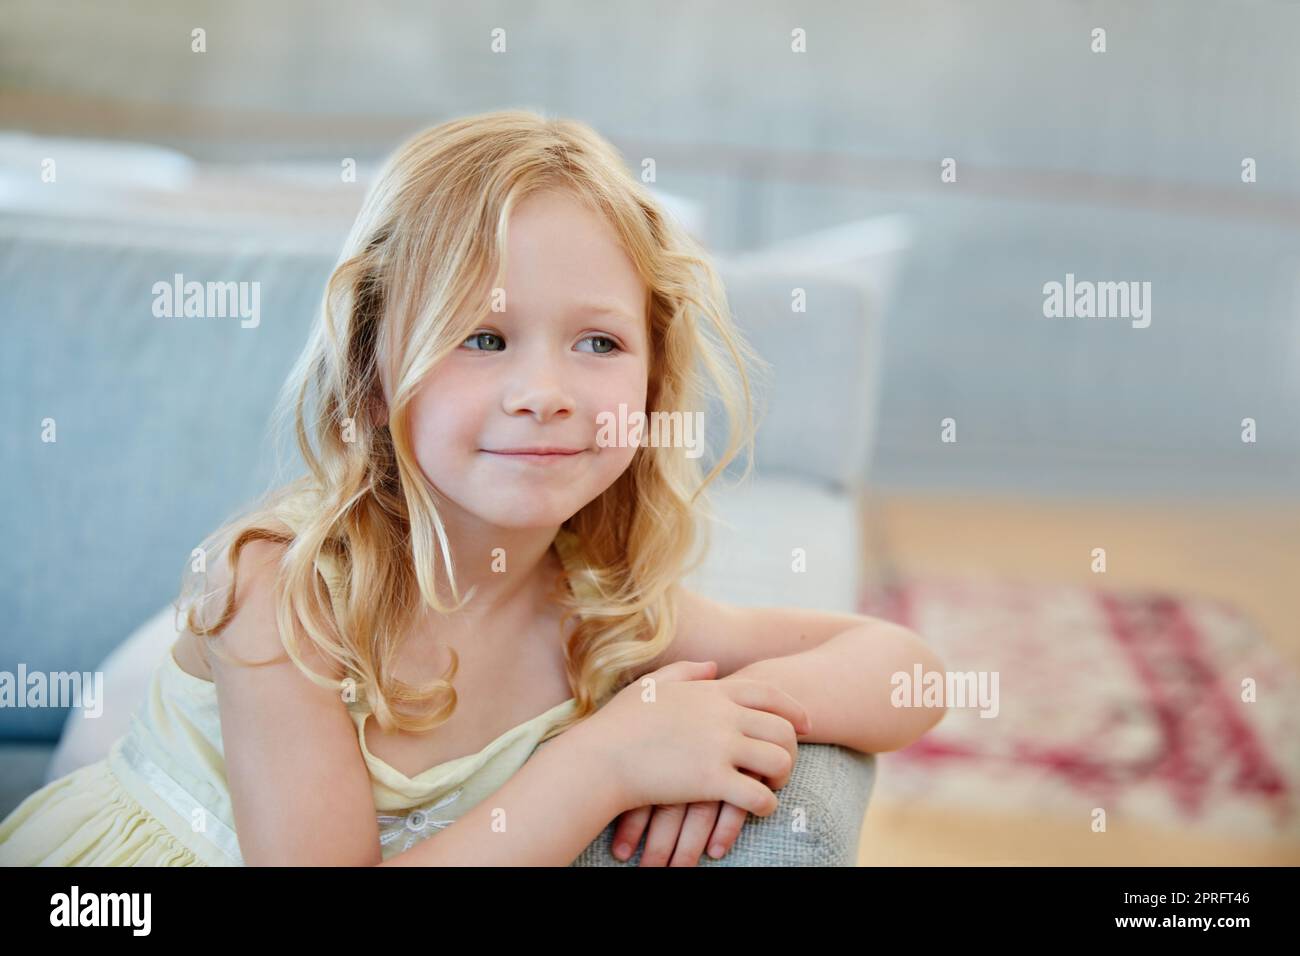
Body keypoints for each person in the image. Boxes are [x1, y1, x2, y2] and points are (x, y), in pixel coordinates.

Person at [0, 109, 945, 867]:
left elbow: (905, 672)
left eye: (600, 343)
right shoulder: (285, 595)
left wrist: (720, 713)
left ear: (653, 388)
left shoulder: (599, 611)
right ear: (371, 377)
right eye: (484, 339)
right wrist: (605, 762)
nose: (545, 395)